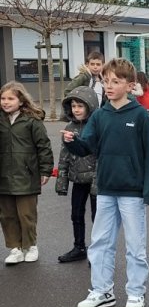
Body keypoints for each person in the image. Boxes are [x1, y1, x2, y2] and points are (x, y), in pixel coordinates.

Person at [61, 58, 149, 307]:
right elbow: (86, 146)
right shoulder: (100, 115)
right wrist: (72, 142)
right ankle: (102, 291)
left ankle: (136, 292)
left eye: (116, 81)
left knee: (135, 247)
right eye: (106, 81)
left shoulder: (140, 115)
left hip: (132, 193)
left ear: (130, 85)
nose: (109, 86)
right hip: (105, 190)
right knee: (100, 243)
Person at [0, 81, 53, 264]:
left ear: (21, 101)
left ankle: (30, 246)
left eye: (10, 98)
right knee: (7, 215)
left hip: (26, 175)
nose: (5, 102)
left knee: (26, 215)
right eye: (3, 98)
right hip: (3, 176)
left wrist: (45, 169)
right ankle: (15, 248)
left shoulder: (32, 121)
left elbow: (43, 146)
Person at [55, 86, 98, 263]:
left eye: (80, 106)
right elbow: (64, 155)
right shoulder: (69, 127)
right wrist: (62, 182)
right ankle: (79, 247)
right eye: (73, 106)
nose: (76, 110)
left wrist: (98, 180)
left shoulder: (97, 126)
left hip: (95, 179)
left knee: (97, 218)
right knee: (76, 214)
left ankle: (98, 252)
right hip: (78, 179)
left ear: (90, 106)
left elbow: (101, 154)